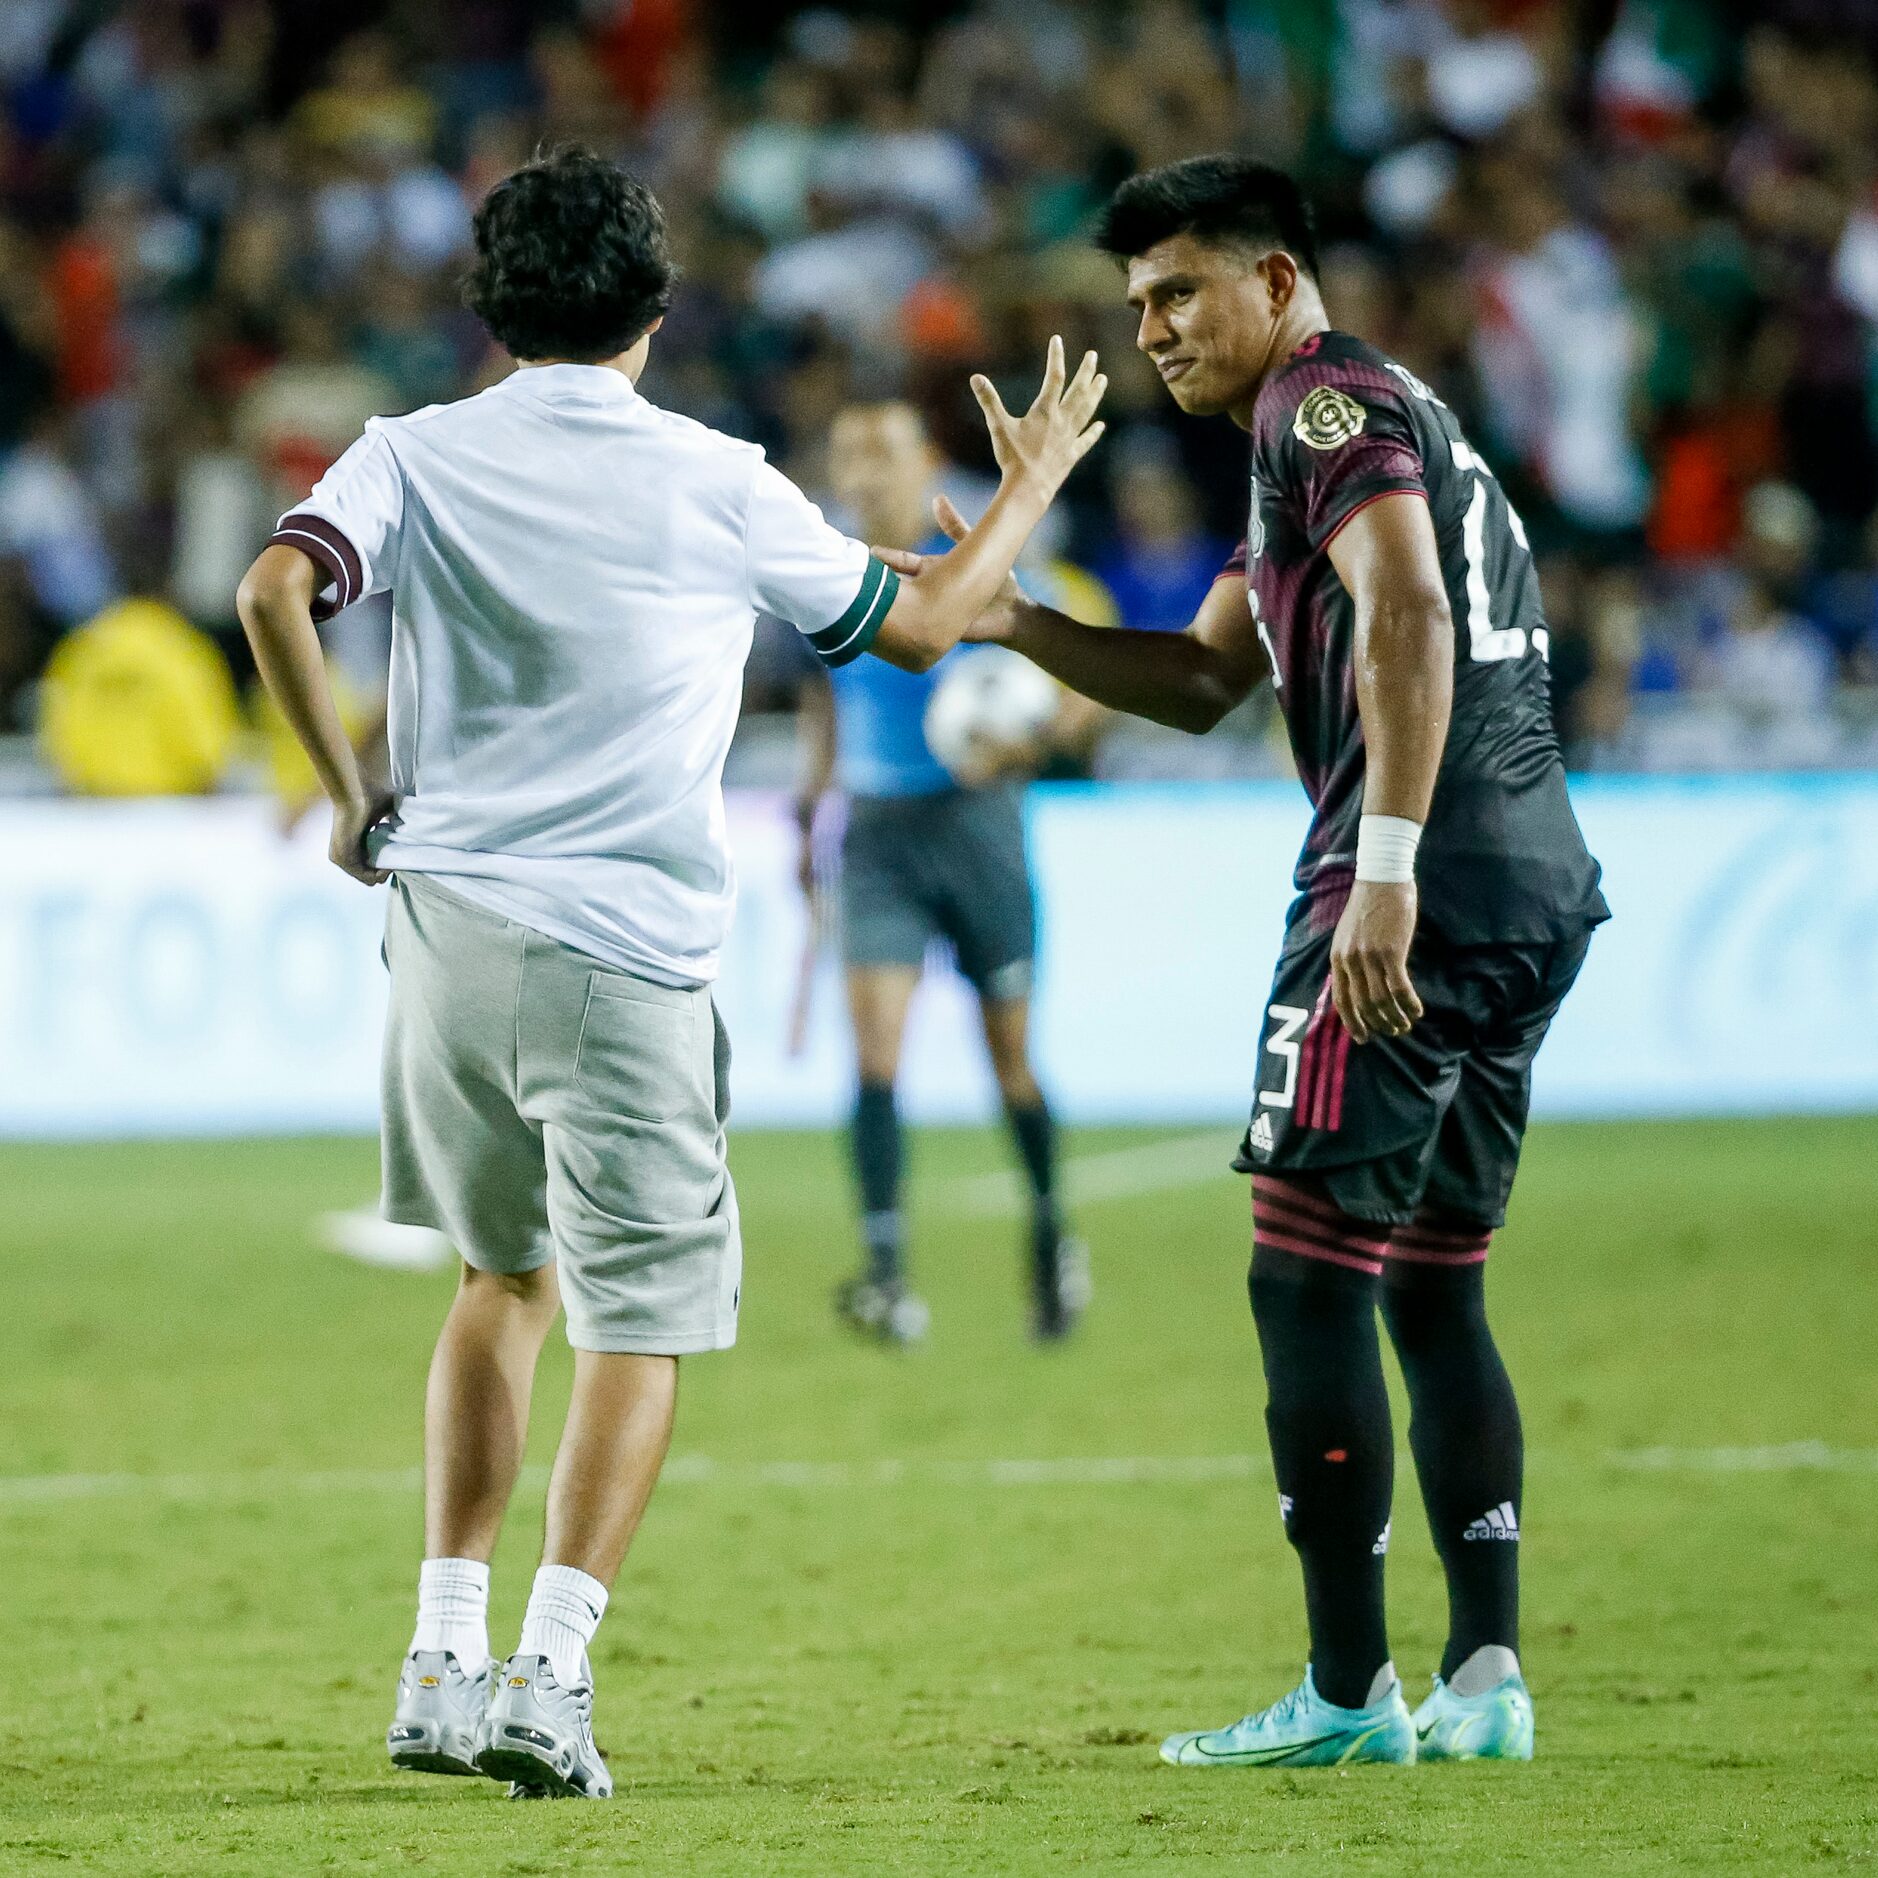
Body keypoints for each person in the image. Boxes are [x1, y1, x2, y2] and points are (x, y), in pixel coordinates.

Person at [235, 146, 1105, 1801]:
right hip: (622, 955)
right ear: (654, 305)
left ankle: (439, 1653)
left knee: (500, 1281)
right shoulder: (712, 477)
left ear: (487, 306)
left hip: (441, 939)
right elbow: (921, 632)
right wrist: (1029, 484)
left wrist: (351, 807)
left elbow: (274, 585)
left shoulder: (406, 454)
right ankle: (547, 1680)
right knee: (642, 1324)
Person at [910, 154, 1607, 1768]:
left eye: (1178, 292)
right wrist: (1014, 621)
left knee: (1298, 1270)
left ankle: (1349, 1693)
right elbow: (1199, 680)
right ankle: (1484, 1670)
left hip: (1417, 883)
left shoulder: (1320, 413)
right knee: (1432, 1280)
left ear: (1277, 281)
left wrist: (1381, 870)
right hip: (1530, 880)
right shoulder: (1340, 434)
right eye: (1134, 303)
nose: (1151, 328)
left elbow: (1409, 614)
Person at [795, 400, 1090, 1346]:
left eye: (881, 449)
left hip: (976, 825)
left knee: (1009, 1063)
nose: (864, 470)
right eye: (848, 451)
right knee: (875, 1055)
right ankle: (885, 1275)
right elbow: (824, 693)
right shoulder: (820, 564)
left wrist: (1026, 744)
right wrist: (815, 805)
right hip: (877, 831)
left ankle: (1051, 1240)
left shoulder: (974, 550)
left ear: (925, 458)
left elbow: (1080, 685)